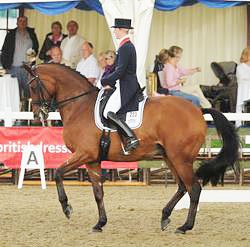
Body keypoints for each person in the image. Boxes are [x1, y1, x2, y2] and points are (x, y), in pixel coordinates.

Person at [101, 18, 140, 153]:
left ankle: (131, 137)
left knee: (108, 112)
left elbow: (120, 71)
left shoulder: (126, 47)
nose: (114, 32)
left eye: (116, 29)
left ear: (122, 30)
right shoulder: (125, 46)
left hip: (126, 86)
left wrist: (106, 81)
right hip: (124, 83)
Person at [1, 16, 39, 102]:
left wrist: (32, 61)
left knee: (29, 92)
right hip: (14, 68)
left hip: (27, 69)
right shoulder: (11, 34)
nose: (22, 22)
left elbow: (35, 48)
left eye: (24, 21)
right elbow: (4, 50)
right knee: (14, 93)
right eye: (20, 21)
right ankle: (15, 112)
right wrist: (5, 66)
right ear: (17, 23)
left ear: (27, 22)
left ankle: (27, 111)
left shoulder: (31, 33)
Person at [236, 47, 250, 127]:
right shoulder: (240, 67)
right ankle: (238, 124)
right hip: (243, 89)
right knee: (240, 106)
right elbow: (242, 78)